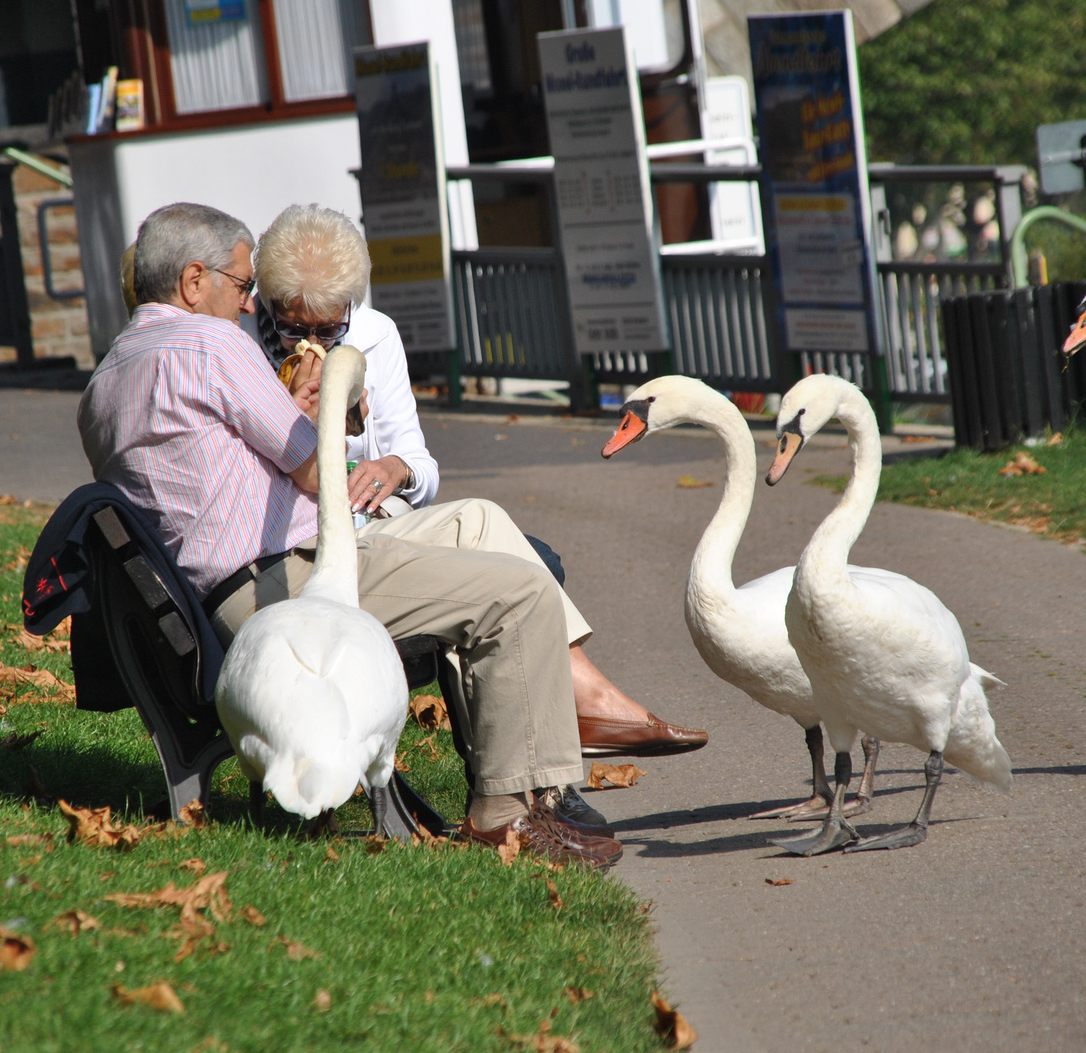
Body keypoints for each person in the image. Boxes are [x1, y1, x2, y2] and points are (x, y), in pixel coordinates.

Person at [79, 202, 622, 866]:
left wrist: (305, 417)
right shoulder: (209, 342)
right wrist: (312, 404)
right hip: (291, 587)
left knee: (482, 527)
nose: (250, 307)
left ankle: (566, 737)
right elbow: (316, 472)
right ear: (194, 281)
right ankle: (507, 812)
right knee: (521, 591)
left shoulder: (106, 378)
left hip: (220, 597)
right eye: (243, 286)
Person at [251, 204, 708, 764]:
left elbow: (420, 461)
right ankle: (553, 747)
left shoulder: (375, 335)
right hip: (318, 548)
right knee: (517, 571)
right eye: (296, 326)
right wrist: (291, 412)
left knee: (520, 552)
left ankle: (563, 736)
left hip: (383, 521)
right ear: (271, 306)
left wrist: (398, 468)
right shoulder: (244, 350)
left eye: (331, 327)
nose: (315, 340)